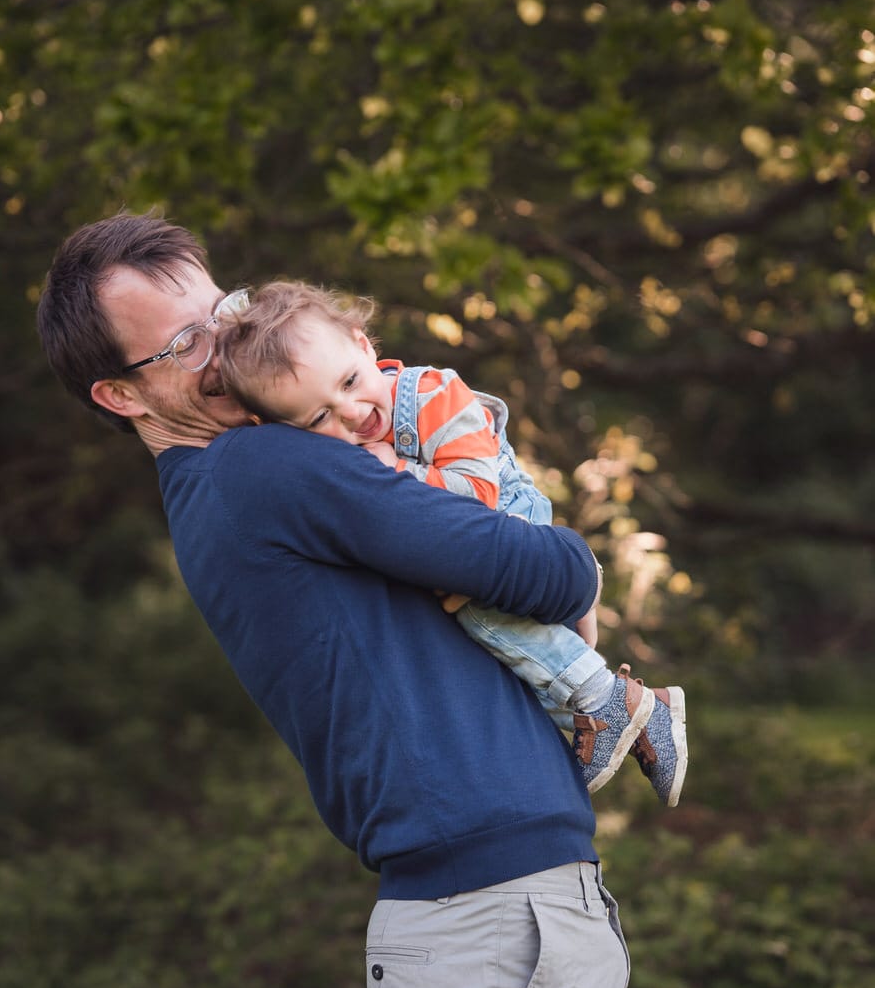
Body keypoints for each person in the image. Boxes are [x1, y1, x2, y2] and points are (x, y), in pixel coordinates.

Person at [37, 211, 632, 988]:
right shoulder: (268, 467)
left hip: (480, 912)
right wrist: (556, 555)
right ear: (116, 392)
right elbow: (553, 570)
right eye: (184, 346)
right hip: (494, 917)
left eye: (224, 312)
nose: (226, 351)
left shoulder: (225, 476)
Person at [215, 280, 687, 806]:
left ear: (363, 343)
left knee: (481, 616)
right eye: (319, 417)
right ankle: (637, 717)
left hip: (510, 518)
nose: (349, 411)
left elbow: (479, 493)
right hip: (473, 534)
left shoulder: (433, 393)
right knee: (492, 647)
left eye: (349, 381)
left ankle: (608, 702)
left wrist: (398, 473)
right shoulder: (353, 442)